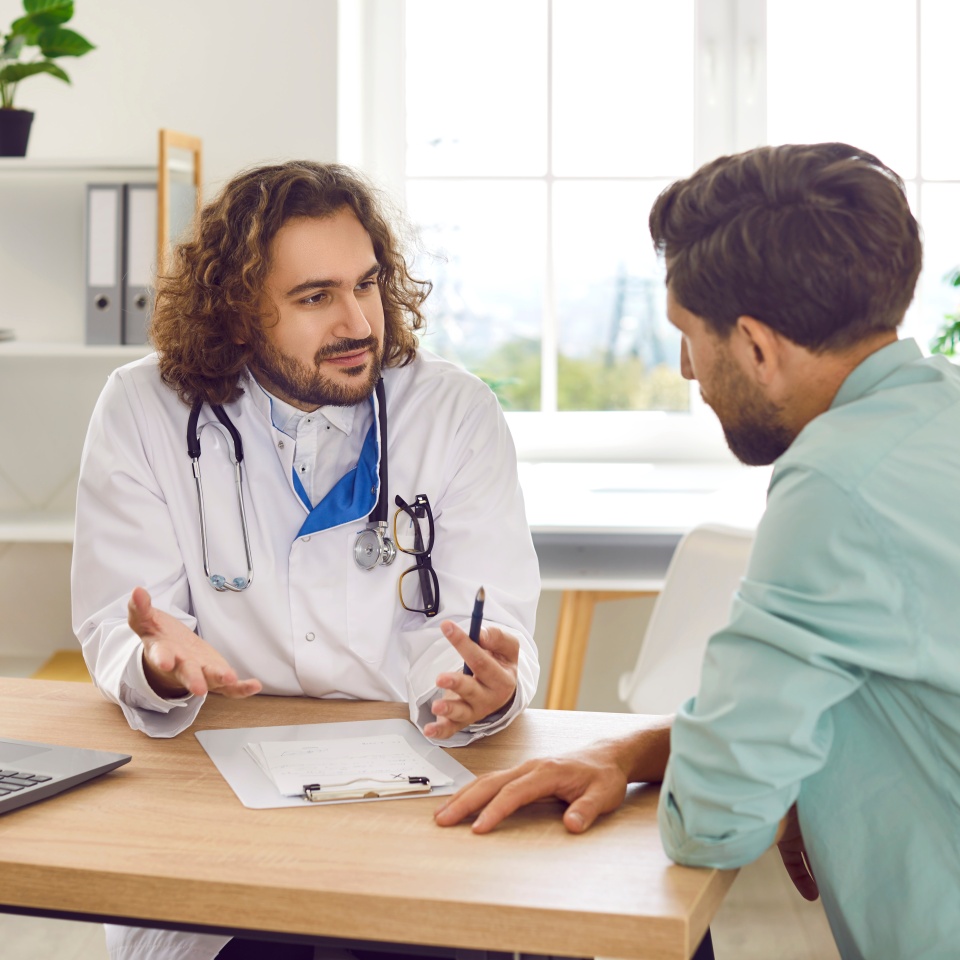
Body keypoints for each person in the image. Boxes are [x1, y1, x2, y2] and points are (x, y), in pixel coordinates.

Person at [434, 142, 960, 960]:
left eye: (688, 336)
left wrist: (769, 786)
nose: (686, 369)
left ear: (755, 345)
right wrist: (632, 750)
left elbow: (714, 820)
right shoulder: (939, 416)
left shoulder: (835, 485)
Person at [71, 161, 540, 960]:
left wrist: (477, 689)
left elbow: (479, 628)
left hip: (410, 796)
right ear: (237, 311)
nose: (358, 321)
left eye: (366, 284)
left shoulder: (454, 413)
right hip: (216, 803)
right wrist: (153, 659)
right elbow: (125, 619)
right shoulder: (145, 408)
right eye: (315, 296)